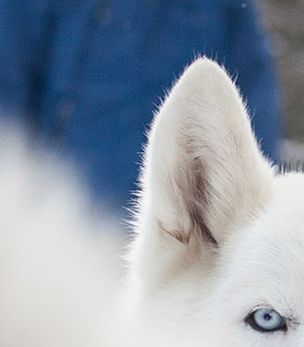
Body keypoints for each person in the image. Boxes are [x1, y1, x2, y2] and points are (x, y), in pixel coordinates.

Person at [0, 0, 282, 214]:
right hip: (66, 217)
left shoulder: (222, 10)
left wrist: (253, 216)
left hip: (170, 226)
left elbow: (254, 121)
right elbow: (9, 110)